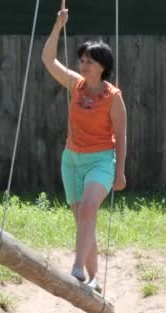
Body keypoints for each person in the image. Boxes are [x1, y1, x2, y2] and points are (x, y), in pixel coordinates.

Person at [41, 7, 127, 293]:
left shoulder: (113, 97)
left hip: (102, 161)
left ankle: (76, 269)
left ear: (102, 65)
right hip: (72, 160)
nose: (83, 64)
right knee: (83, 221)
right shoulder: (76, 86)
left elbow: (122, 135)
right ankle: (94, 279)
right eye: (81, 60)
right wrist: (57, 25)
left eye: (89, 61)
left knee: (89, 210)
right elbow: (48, 59)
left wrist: (120, 173)